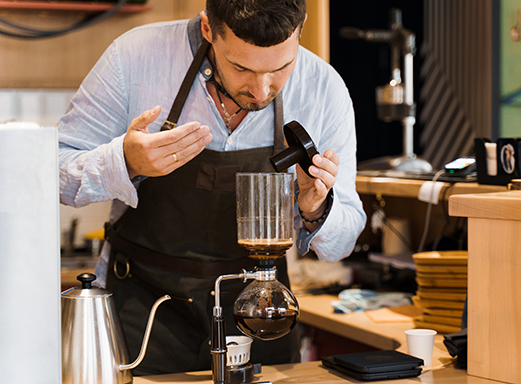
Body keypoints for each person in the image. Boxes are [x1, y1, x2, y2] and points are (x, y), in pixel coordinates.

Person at [58, 0, 366, 376]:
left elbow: (342, 241)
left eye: (282, 67)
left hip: (259, 306)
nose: (260, 89)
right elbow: (55, 174)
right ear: (208, 28)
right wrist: (123, 162)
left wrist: (315, 206)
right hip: (146, 305)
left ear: (300, 29)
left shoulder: (323, 88)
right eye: (241, 68)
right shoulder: (135, 58)